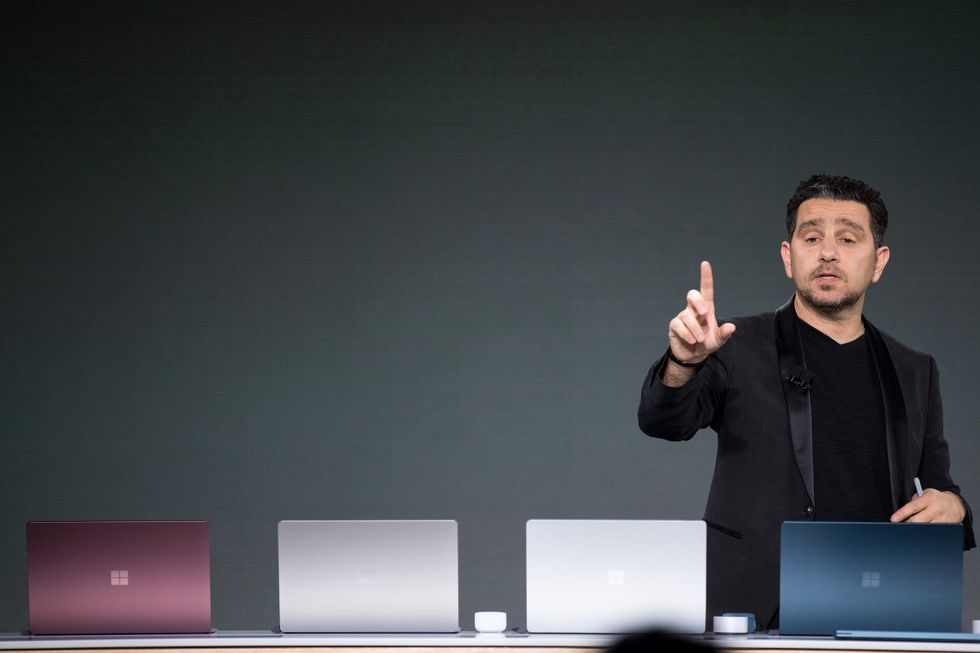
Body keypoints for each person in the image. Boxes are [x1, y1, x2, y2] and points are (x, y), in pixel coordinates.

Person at [637, 174, 975, 631]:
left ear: (878, 262)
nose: (828, 252)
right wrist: (683, 361)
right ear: (787, 256)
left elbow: (938, 489)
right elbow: (663, 421)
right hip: (755, 613)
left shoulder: (915, 369)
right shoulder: (733, 344)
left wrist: (956, 508)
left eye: (847, 238)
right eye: (811, 237)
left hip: (882, 609)